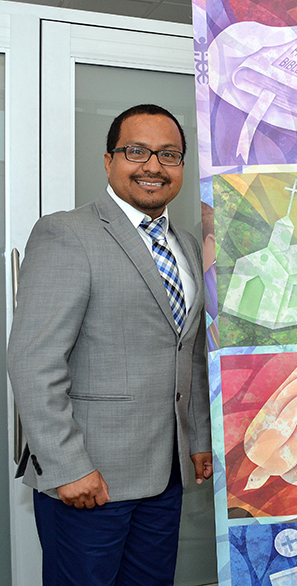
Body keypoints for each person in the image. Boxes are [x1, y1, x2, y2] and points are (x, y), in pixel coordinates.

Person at [7, 104, 213, 586]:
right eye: (136, 151)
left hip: (165, 476)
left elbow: (191, 353)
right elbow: (33, 361)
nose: (153, 166)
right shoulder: (67, 234)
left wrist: (198, 440)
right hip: (89, 478)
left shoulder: (185, 243)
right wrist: (67, 466)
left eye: (169, 155)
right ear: (108, 160)